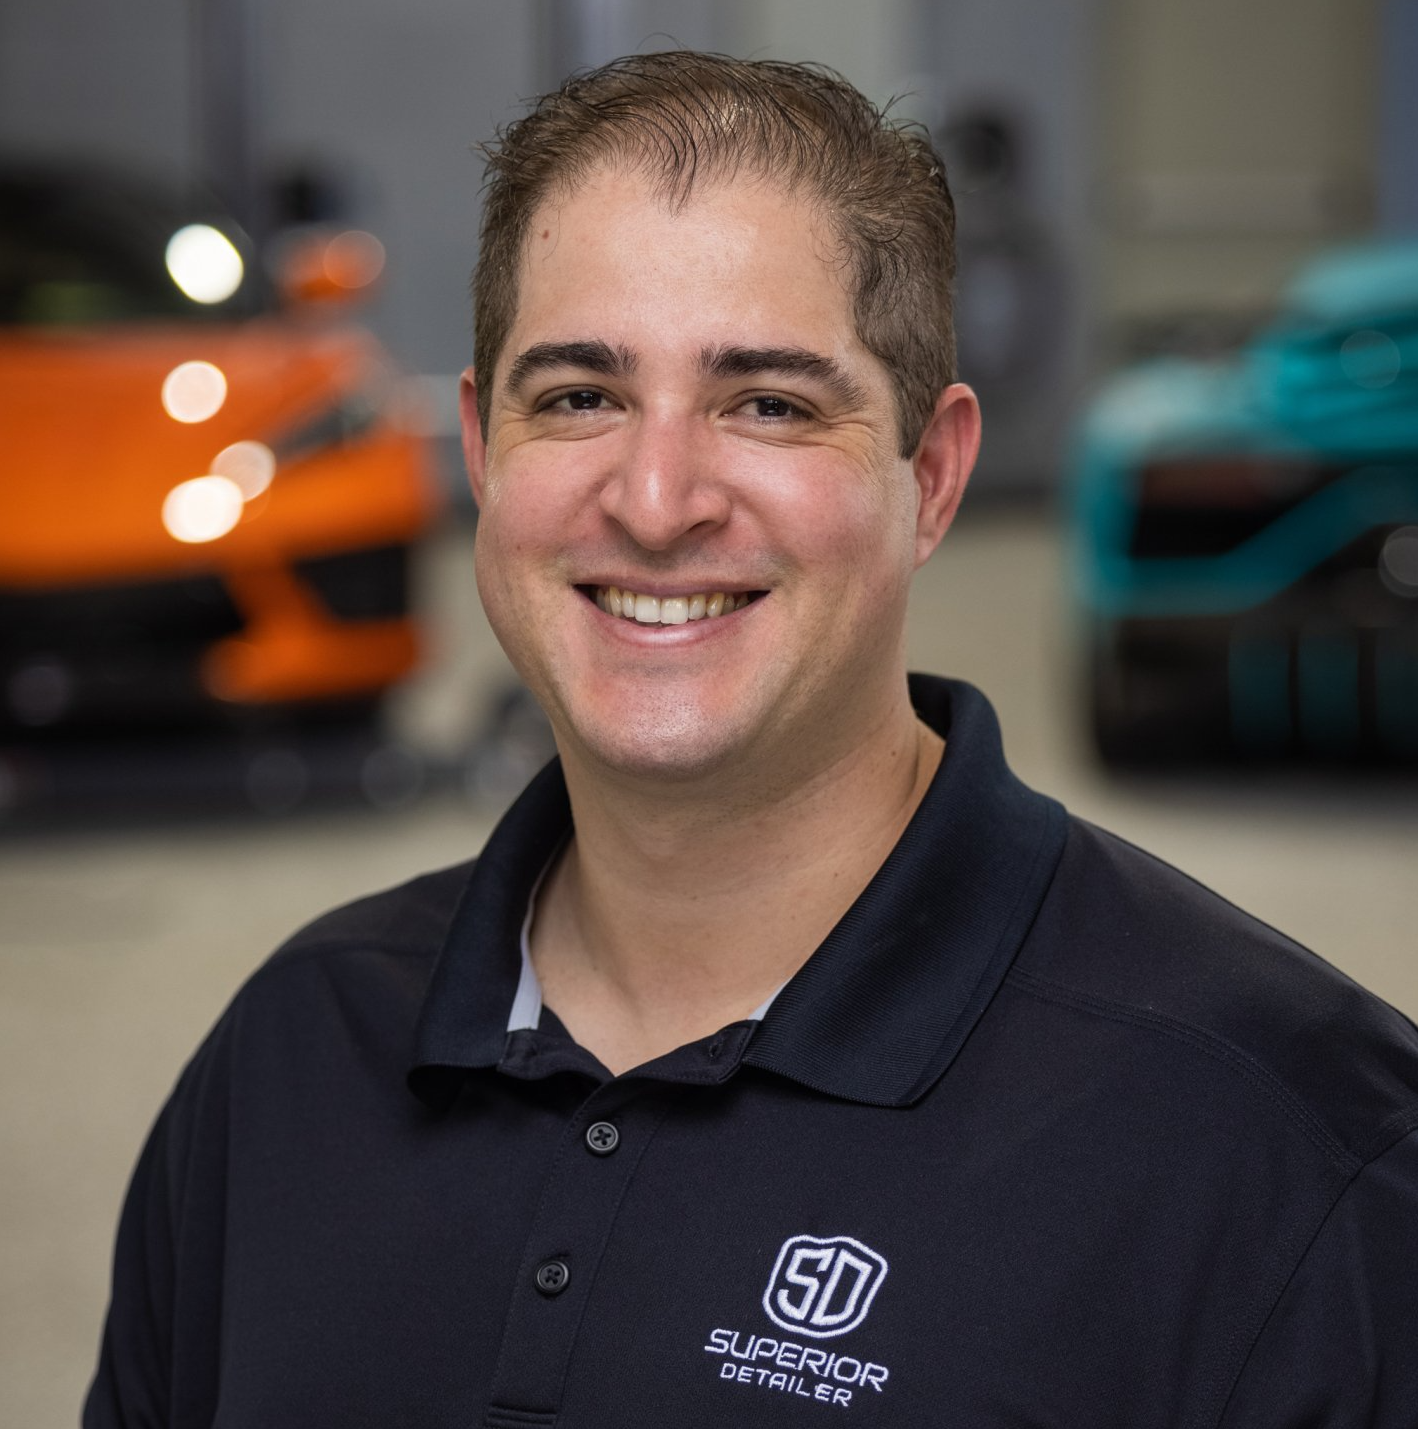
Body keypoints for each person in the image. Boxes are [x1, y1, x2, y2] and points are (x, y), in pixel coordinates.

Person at [87, 52, 1418, 1428]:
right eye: (580, 396)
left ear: (933, 475)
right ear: (483, 453)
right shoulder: (294, 1059)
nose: (656, 500)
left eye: (768, 403)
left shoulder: (1294, 1150)